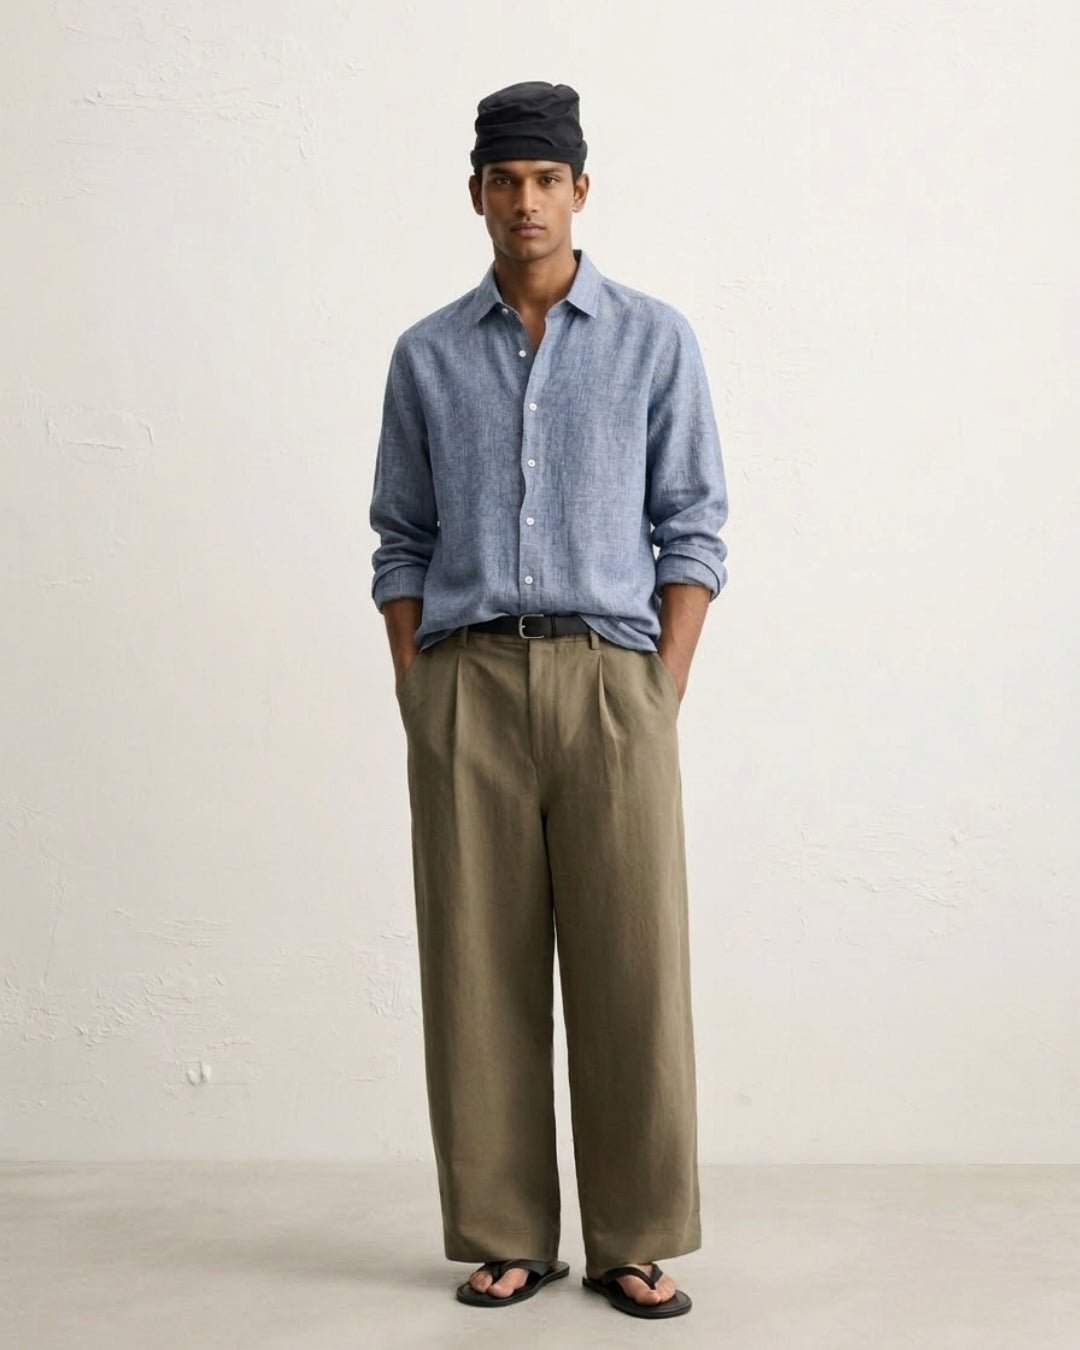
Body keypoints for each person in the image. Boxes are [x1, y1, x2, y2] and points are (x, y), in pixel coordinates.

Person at [368, 80, 729, 1321]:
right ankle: (507, 1231)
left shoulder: (652, 341)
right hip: (467, 683)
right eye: (504, 181)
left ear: (580, 189)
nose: (525, 201)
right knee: (477, 968)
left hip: (612, 682)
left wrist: (659, 688)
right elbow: (401, 538)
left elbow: (693, 526)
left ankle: (633, 1236)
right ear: (476, 194)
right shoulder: (426, 355)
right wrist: (420, 689)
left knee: (634, 966)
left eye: (545, 179)